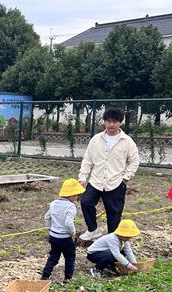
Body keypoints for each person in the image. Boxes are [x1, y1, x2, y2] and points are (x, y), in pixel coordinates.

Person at [78, 107, 140, 241]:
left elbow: (134, 161)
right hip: (96, 181)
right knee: (86, 202)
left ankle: (113, 241)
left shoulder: (127, 141)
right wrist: (83, 177)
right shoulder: (96, 139)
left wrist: (125, 178)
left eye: (115, 122)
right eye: (108, 121)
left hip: (115, 182)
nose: (111, 125)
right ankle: (93, 230)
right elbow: (87, 160)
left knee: (114, 214)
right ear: (104, 122)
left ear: (120, 123)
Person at [40, 178, 85, 282]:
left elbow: (47, 218)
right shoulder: (71, 206)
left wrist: (51, 229)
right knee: (70, 257)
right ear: (71, 195)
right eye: (77, 195)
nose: (77, 197)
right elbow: (68, 223)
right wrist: (72, 233)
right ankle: (67, 279)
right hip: (65, 238)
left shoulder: (53, 203)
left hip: (54, 237)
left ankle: (45, 276)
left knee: (53, 257)